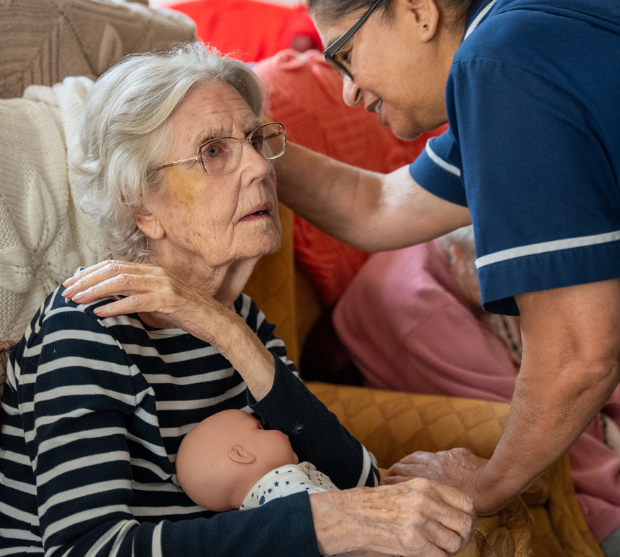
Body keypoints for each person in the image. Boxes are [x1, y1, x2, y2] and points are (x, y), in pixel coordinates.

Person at [272, 0, 620, 515]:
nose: (350, 93)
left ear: (415, 6)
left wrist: (488, 483)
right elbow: (379, 206)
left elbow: (580, 352)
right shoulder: (523, 38)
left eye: (347, 56)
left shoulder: (502, 68)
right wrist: (256, 139)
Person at [0, 43, 475, 557]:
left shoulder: (243, 322)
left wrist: (227, 332)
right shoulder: (88, 327)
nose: (259, 167)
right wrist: (320, 525)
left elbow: (358, 481)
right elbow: (85, 550)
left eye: (255, 140)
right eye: (212, 151)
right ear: (143, 209)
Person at [333, 227, 620, 554]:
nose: (514, 293)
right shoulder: (426, 311)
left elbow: (569, 370)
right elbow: (538, 421)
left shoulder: (473, 251)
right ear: (455, 255)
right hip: (573, 463)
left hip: (596, 436)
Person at [176, 409, 388, 557]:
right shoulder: (283, 482)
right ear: (241, 454)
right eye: (260, 428)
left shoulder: (254, 518)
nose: (278, 430)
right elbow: (337, 520)